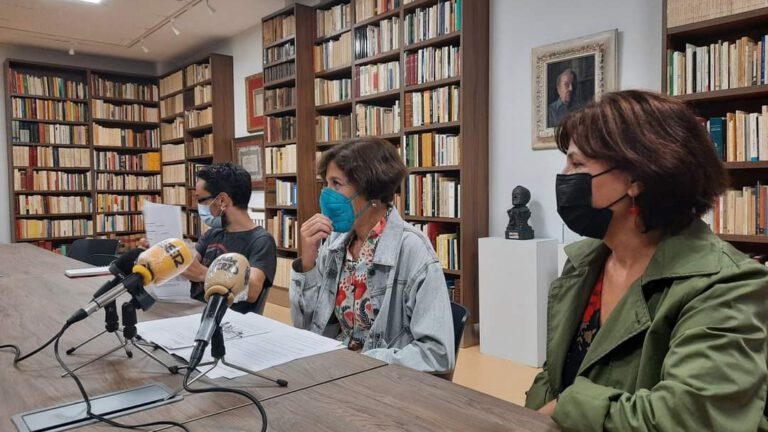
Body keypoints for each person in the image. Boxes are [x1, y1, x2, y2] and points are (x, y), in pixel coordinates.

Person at [526, 90, 768, 431]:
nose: (564, 176)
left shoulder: (726, 285)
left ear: (637, 179)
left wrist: (569, 405)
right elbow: (553, 378)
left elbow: (691, 418)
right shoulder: (584, 265)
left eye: (578, 164)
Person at [290, 137, 455, 373]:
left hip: (383, 380)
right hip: (335, 370)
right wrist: (307, 264)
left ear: (372, 191)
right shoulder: (335, 242)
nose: (326, 194)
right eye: (325, 183)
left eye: (336, 184)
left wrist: (362, 362)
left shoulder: (412, 250)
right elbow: (305, 329)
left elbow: (438, 353)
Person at [181, 162, 277, 314]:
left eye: (201, 200)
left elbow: (252, 290)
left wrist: (202, 274)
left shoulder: (261, 240)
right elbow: (190, 262)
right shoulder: (212, 234)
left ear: (222, 201)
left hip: (234, 325)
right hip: (197, 313)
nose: (199, 207)